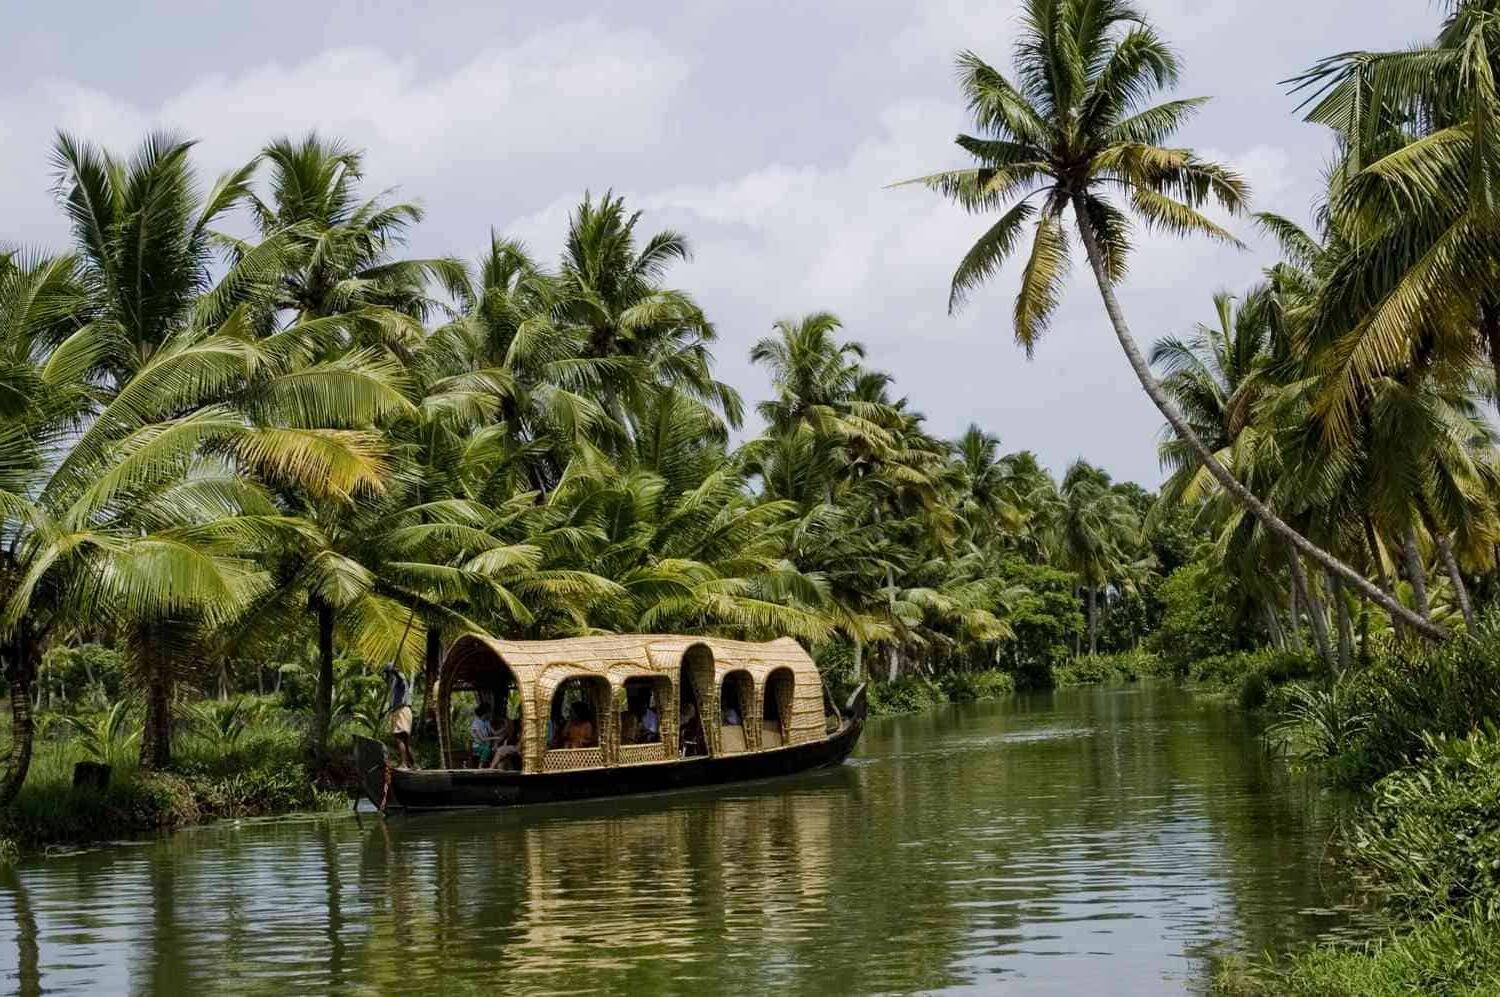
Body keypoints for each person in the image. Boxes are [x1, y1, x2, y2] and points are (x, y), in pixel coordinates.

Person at [383, 664, 415, 768]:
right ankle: (412, 764)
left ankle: (404, 764)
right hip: (402, 710)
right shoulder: (393, 684)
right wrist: (384, 713)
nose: (386, 678)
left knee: (399, 737)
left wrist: (395, 672)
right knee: (405, 741)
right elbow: (394, 702)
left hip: (401, 711)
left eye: (387, 674)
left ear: (390, 673)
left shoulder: (399, 679)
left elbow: (401, 680)